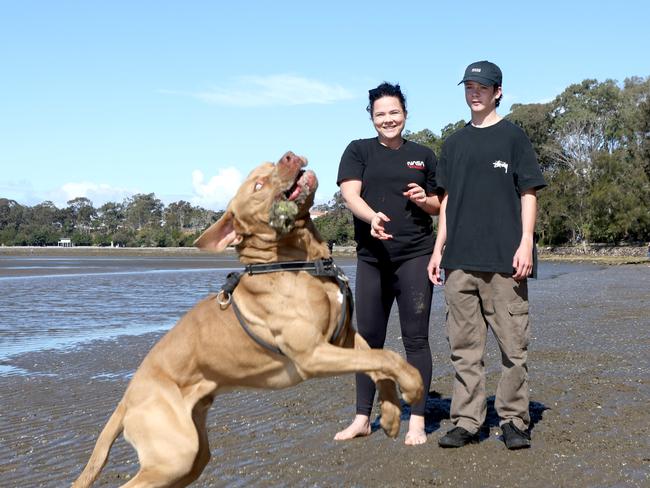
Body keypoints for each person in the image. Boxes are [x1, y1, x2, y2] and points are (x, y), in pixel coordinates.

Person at [428, 61, 547, 450]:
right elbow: (445, 202)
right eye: (469, 86)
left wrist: (526, 241)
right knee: (465, 350)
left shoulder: (514, 138)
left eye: (482, 86)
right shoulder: (453, 144)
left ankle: (514, 420)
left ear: (498, 91)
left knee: (513, 348)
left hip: (505, 261)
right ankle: (467, 421)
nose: (474, 92)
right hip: (459, 262)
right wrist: (437, 249)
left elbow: (528, 192)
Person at [335, 82, 440, 445]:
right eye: (380, 114)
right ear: (372, 117)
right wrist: (371, 218)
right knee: (368, 340)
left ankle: (418, 419)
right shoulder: (358, 151)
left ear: (405, 115)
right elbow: (350, 194)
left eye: (394, 112)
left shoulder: (424, 155)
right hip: (372, 258)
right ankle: (363, 417)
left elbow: (440, 204)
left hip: (415, 256)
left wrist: (425, 199)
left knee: (416, 340)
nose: (388, 119)